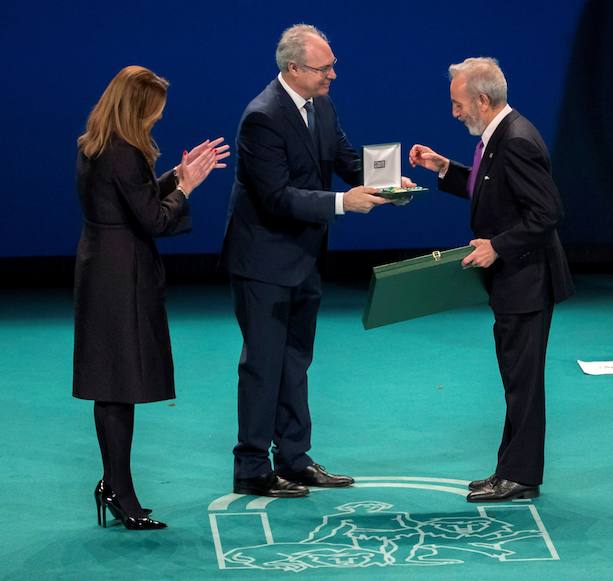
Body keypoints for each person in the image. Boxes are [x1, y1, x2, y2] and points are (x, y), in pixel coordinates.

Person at [221, 24, 407, 498]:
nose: (333, 75)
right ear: (293, 69)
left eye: (332, 66)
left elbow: (343, 157)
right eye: (324, 69)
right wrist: (345, 204)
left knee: (296, 360)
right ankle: (250, 468)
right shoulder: (261, 118)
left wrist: (389, 183)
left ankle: (293, 459)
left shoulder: (320, 104)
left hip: (304, 257)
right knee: (264, 364)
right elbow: (277, 198)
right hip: (263, 261)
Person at [409, 57, 574, 502]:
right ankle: (510, 469)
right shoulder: (499, 136)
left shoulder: (516, 140)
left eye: (458, 103)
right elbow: (491, 185)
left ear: (482, 100)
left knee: (523, 383)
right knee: (515, 380)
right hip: (514, 283)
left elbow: (547, 214)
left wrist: (497, 246)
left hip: (528, 282)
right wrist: (445, 168)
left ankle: (520, 477)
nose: (454, 112)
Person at [74, 65, 229, 529]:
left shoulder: (97, 143)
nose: (157, 120)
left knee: (114, 382)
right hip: (121, 276)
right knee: (117, 383)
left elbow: (132, 200)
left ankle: (114, 484)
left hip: (104, 267)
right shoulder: (124, 152)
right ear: (136, 108)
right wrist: (185, 186)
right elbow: (154, 221)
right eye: (154, 113)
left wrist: (175, 176)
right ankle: (118, 490)